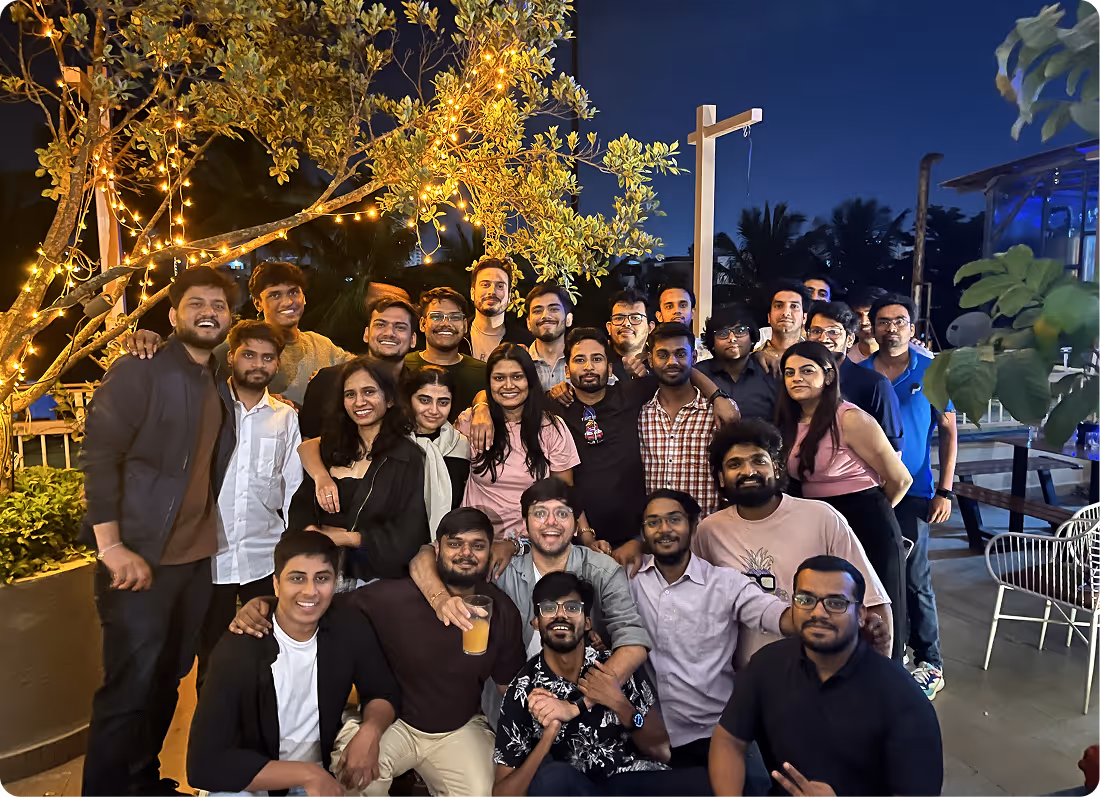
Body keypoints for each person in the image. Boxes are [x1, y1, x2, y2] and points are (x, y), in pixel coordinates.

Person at [229, 509, 527, 797]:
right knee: (353, 777)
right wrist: (266, 602)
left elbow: (508, 687)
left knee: (485, 791)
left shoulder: (502, 611)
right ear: (437, 549)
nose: (466, 553)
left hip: (458, 728)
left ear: (490, 551)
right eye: (455, 544)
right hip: (393, 723)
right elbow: (319, 605)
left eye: (478, 546)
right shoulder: (394, 596)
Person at [80, 266, 238, 797]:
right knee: (128, 690)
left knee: (168, 678)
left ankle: (143, 781)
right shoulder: (138, 370)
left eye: (218, 305)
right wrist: (111, 545)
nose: (208, 312)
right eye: (196, 303)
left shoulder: (214, 376)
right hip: (139, 557)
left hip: (193, 561)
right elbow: (99, 457)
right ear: (173, 315)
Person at [187, 530, 400, 797]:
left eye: (322, 578)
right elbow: (203, 766)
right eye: (297, 578)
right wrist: (307, 774)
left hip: (322, 774)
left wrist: (371, 730)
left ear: (335, 582)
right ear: (276, 585)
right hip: (253, 780)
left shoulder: (349, 626)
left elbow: (383, 690)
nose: (310, 591)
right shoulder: (239, 648)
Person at [709, 556, 943, 797]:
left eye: (835, 603)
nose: (818, 612)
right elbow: (728, 741)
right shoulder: (767, 665)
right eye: (806, 600)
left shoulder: (903, 698)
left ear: (861, 614)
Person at [492, 572, 713, 797]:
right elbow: (503, 793)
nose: (560, 615)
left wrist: (620, 704)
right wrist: (548, 735)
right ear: (536, 623)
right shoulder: (523, 690)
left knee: (705, 782)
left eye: (572, 608)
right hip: (580, 790)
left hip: (634, 783)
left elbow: (662, 749)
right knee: (553, 778)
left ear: (587, 622)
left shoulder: (613, 668)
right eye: (549, 608)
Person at [693, 420, 893, 669]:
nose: (748, 471)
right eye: (735, 464)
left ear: (776, 468)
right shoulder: (709, 531)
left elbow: (873, 602)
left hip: (824, 673)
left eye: (758, 461)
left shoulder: (821, 517)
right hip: (747, 677)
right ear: (721, 478)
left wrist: (881, 676)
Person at [409, 478, 652, 681]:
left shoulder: (603, 571)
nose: (551, 522)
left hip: (583, 702)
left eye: (562, 513)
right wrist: (440, 600)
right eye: (540, 513)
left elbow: (632, 639)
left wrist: (585, 699)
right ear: (525, 523)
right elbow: (426, 555)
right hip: (508, 703)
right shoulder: (500, 568)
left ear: (576, 523)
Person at [629, 489, 789, 783]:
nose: (664, 529)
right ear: (643, 532)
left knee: (759, 787)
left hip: (719, 730)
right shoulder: (630, 580)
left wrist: (820, 615)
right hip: (654, 736)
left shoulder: (724, 583)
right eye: (653, 522)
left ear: (693, 525)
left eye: (674, 519)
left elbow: (774, 614)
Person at [776, 341, 912, 660]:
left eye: (807, 371)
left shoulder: (850, 419)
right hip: (820, 523)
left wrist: (875, 520)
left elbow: (900, 479)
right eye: (789, 373)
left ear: (828, 376)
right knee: (833, 610)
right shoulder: (788, 423)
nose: (796, 378)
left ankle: (885, 683)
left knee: (876, 617)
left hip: (866, 520)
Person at [862, 293, 958, 699]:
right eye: (883, 321)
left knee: (915, 579)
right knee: (876, 576)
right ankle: (890, 652)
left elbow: (949, 432)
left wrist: (945, 490)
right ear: (872, 327)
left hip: (916, 492)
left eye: (899, 321)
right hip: (868, 492)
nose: (891, 328)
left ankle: (930, 661)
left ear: (912, 328)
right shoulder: (859, 374)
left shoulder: (931, 373)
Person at [198, 320, 303, 688]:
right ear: (231, 357)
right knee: (211, 657)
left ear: (277, 364)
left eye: (267, 357)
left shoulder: (285, 417)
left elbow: (293, 487)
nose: (258, 364)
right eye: (249, 355)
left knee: (269, 653)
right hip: (210, 559)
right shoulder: (206, 409)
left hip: (264, 557)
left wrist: (291, 552)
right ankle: (211, 722)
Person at [121, 261, 354, 408]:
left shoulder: (321, 344)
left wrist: (331, 377)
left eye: (293, 292)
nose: (287, 302)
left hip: (313, 455)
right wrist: (152, 341)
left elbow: (362, 368)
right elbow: (188, 362)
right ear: (257, 303)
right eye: (274, 295)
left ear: (304, 297)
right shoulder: (236, 345)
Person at [288, 358, 429, 584]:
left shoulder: (408, 457)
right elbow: (300, 506)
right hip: (315, 570)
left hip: (373, 581)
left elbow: (408, 536)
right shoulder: (330, 447)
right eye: (350, 394)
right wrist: (309, 531)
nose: (359, 402)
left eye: (369, 392)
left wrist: (345, 538)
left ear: (390, 399)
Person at [547, 329, 653, 555]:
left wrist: (717, 396)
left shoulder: (630, 394)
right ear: (567, 370)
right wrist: (481, 406)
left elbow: (683, 374)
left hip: (634, 538)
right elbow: (506, 395)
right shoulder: (554, 407)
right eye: (579, 360)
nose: (588, 367)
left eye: (597, 359)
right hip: (576, 539)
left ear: (610, 368)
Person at [463, 344, 580, 541]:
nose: (508, 385)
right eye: (499, 378)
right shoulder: (472, 422)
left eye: (517, 377)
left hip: (533, 542)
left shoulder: (552, 427)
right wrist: (480, 406)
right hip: (476, 542)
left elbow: (564, 492)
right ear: (489, 383)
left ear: (530, 380)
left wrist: (585, 533)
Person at [298, 294, 418, 439]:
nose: (389, 333)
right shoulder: (328, 380)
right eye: (380, 325)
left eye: (400, 327)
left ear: (413, 340)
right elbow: (308, 439)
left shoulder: (417, 389)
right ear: (366, 334)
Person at [639, 322, 725, 516]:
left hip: (705, 527)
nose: (672, 362)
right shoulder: (641, 414)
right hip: (655, 529)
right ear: (650, 360)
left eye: (680, 354)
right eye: (662, 355)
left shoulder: (715, 413)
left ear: (693, 357)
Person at [805, 301, 903, 450]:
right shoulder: (798, 381)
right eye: (816, 331)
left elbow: (893, 447)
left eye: (833, 332)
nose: (823, 338)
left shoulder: (875, 385)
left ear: (850, 339)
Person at [405, 287, 488, 420]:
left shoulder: (484, 373)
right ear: (422, 324)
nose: (446, 323)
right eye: (436, 316)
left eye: (455, 317)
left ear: (465, 325)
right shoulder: (403, 367)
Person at [695, 305, 778, 421]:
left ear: (752, 337)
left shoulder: (769, 372)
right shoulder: (698, 373)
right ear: (712, 342)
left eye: (740, 330)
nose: (732, 338)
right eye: (723, 333)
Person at [468, 257, 531, 360]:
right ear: (472, 293)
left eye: (500, 286)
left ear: (509, 296)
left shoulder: (526, 343)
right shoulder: (456, 336)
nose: (492, 291)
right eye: (485, 285)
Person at [525, 282, 574, 389]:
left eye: (554, 309)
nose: (545, 315)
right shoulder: (519, 363)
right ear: (528, 323)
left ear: (569, 319)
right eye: (537, 311)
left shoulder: (583, 363)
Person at [754, 280, 810, 372]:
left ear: (804, 317)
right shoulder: (752, 360)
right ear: (769, 317)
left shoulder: (815, 356)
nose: (786, 313)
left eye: (794, 306)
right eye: (779, 306)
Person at [606, 288, 655, 382]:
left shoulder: (661, 362)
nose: (627, 323)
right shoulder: (598, 362)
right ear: (609, 327)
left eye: (635, 318)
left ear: (650, 327)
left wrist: (646, 379)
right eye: (619, 318)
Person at [655, 284, 712, 362]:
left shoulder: (707, 353)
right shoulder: (651, 351)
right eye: (669, 307)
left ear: (693, 313)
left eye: (683, 305)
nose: (677, 311)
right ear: (659, 316)